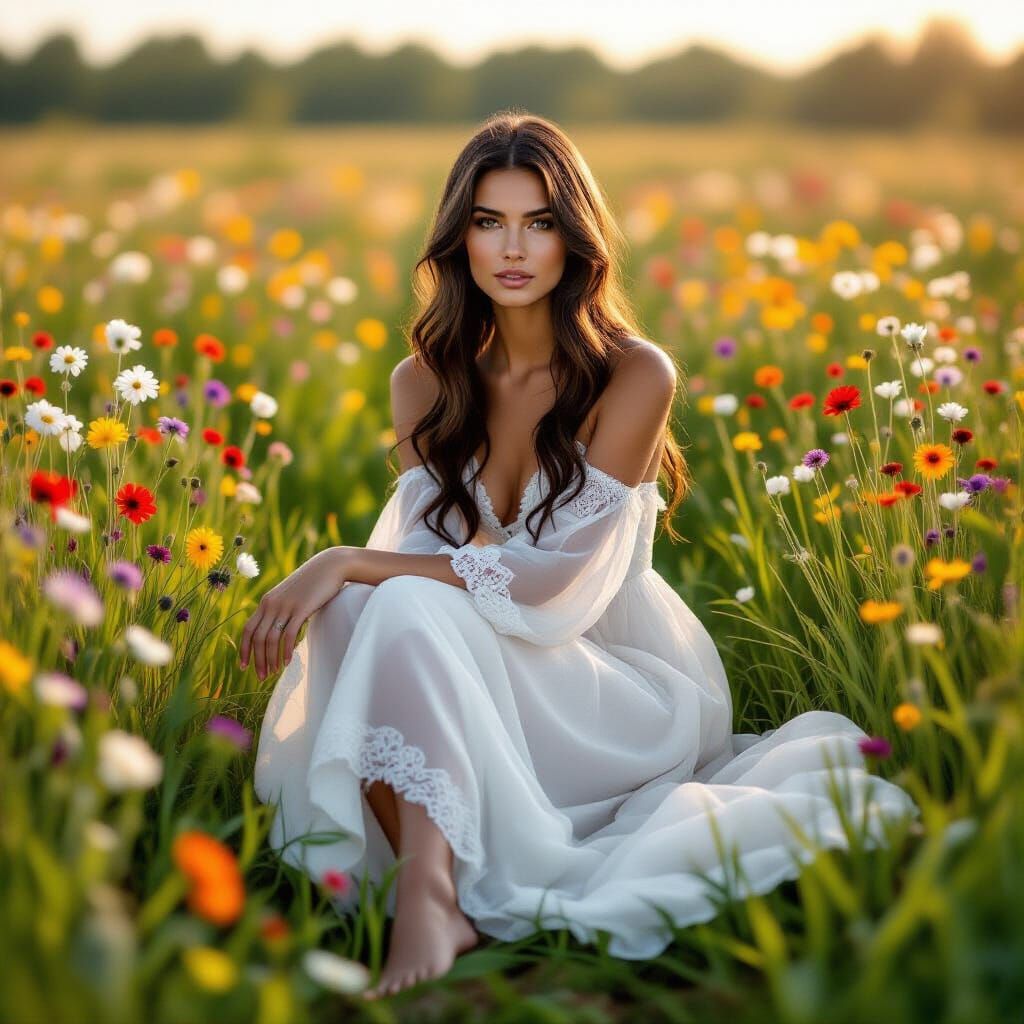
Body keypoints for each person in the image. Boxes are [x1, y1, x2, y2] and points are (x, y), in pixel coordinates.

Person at [247, 110, 919, 1000]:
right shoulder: (422, 383)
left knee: (381, 589)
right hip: (479, 674)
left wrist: (343, 555)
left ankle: (427, 894)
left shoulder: (634, 374)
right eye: (489, 222)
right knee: (368, 601)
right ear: (459, 239)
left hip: (608, 689)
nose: (512, 249)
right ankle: (435, 883)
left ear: (578, 240)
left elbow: (557, 589)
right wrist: (350, 572)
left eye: (540, 222)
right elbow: (429, 561)